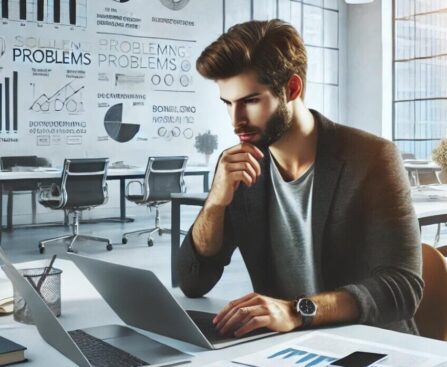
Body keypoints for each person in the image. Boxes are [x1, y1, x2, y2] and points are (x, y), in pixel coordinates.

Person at [177, 19, 423, 338]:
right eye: (228, 103)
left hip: (367, 343)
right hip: (284, 345)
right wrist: (215, 204)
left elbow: (402, 288)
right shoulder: (239, 165)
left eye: (250, 101)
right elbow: (193, 282)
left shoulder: (372, 158)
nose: (236, 120)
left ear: (292, 89)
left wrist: (297, 311)